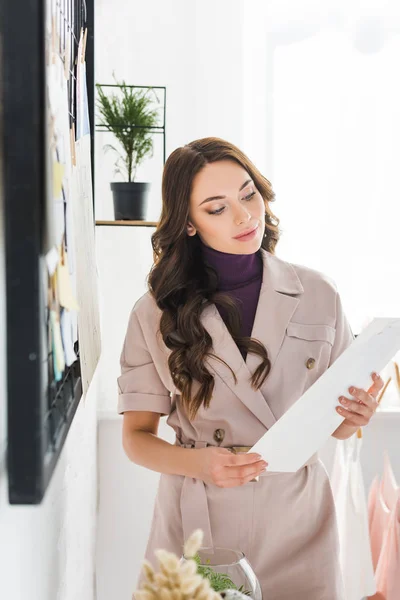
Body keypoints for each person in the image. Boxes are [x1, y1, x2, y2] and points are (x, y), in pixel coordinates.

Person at [117, 137, 383, 600]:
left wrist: (355, 415)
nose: (244, 216)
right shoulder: (155, 312)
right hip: (200, 520)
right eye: (216, 208)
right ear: (189, 223)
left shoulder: (320, 292)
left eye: (248, 194)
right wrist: (200, 463)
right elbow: (137, 439)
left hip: (298, 519)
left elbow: (335, 427)